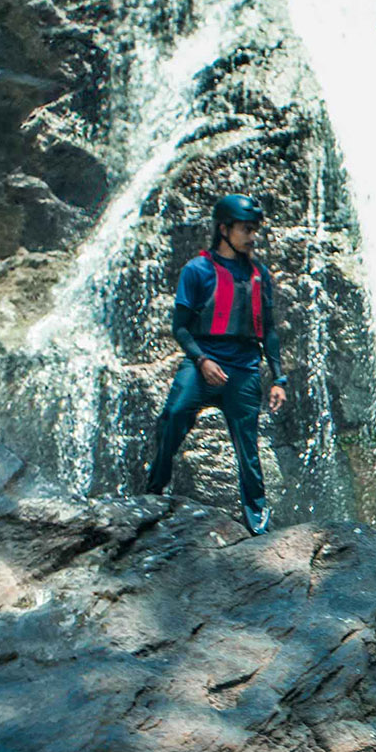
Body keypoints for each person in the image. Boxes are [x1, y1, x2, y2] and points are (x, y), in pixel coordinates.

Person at [145, 193, 288, 534]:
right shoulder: (198, 270)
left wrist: (279, 378)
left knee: (248, 448)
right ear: (224, 229)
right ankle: (154, 491)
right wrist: (201, 360)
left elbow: (267, 329)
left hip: (243, 368)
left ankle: (257, 522)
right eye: (245, 229)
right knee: (174, 415)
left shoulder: (259, 275)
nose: (252, 236)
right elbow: (179, 327)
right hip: (202, 361)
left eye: (254, 229)